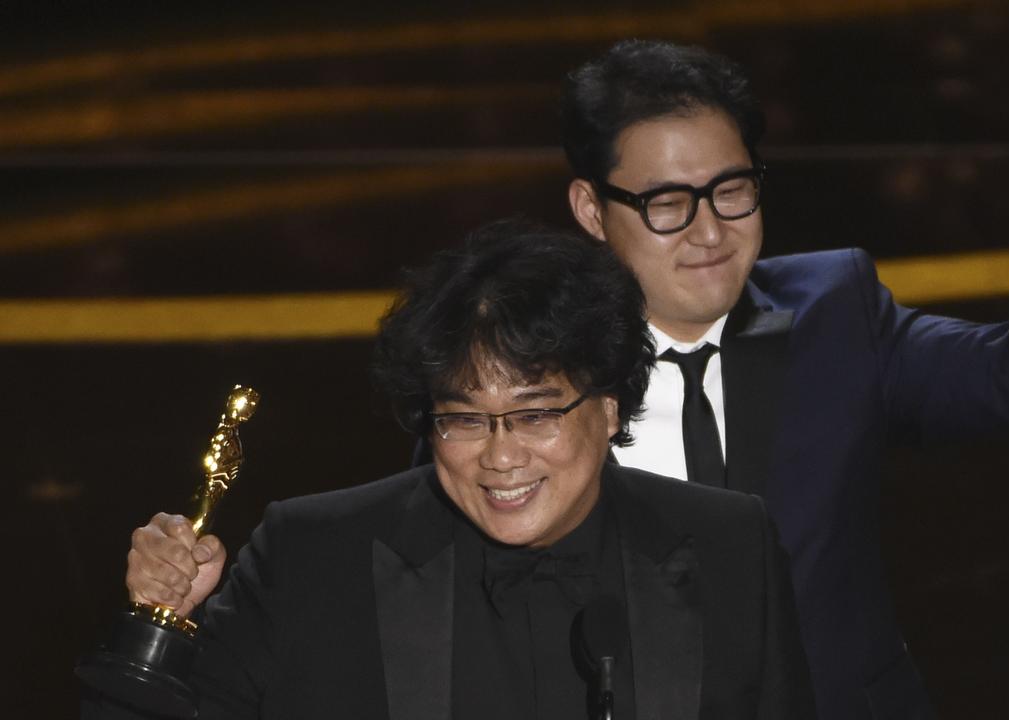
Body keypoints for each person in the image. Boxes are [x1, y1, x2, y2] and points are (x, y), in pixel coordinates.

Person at [560, 40, 1009, 719]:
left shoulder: (834, 316)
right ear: (592, 210)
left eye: (731, 191)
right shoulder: (530, 376)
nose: (709, 231)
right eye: (667, 203)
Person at [85, 221, 816, 719]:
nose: (500, 456)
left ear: (613, 403)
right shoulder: (314, 556)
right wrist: (160, 628)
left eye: (535, 414)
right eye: (463, 418)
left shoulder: (730, 547)